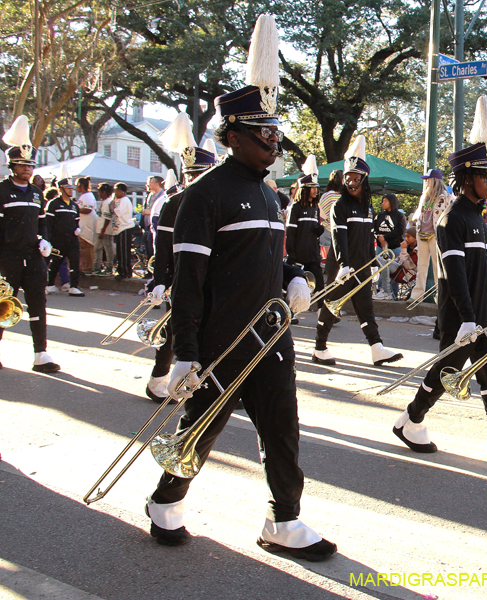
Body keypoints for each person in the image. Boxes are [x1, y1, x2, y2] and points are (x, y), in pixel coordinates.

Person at [146, 14, 334, 561]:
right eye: (264, 135)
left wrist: (294, 275)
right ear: (234, 135)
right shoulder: (204, 195)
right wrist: (183, 353)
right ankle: (165, 501)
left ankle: (284, 519)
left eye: (276, 134)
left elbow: (267, 261)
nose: (273, 143)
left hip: (269, 336)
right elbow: (189, 279)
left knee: (283, 428)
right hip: (220, 341)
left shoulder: (271, 194)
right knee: (200, 430)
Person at [392, 95, 487, 466]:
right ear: (467, 177)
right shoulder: (452, 218)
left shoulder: (480, 217)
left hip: (484, 307)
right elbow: (453, 273)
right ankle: (410, 419)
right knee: (448, 371)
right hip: (462, 312)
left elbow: (474, 265)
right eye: (486, 175)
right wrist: (468, 317)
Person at [312, 134, 403, 366]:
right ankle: (319, 348)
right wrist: (344, 265)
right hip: (344, 266)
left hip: (362, 265)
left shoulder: (367, 208)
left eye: (356, 177)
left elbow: (365, 238)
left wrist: (371, 263)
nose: (352, 182)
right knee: (332, 305)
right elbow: (338, 237)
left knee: (366, 309)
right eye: (348, 178)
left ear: (364, 179)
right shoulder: (340, 206)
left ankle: (376, 347)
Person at [144, 115, 215, 403]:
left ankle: (204, 384)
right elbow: (162, 246)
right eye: (189, 174)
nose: (193, 180)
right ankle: (158, 379)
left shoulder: (216, 202)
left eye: (199, 174)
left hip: (209, 275)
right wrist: (159, 280)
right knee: (176, 330)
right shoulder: (173, 203)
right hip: (180, 276)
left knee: (209, 330)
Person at [0, 115, 60, 372]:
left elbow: (42, 221)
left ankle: (41, 355)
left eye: (30, 165)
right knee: (4, 304)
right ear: (12, 166)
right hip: (8, 256)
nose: (28, 169)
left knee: (38, 304)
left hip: (34, 256)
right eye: (22, 165)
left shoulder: (36, 193)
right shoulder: (1, 190)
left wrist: (45, 238)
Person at [286, 155, 325, 308]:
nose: (316, 190)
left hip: (313, 254)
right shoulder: (296, 208)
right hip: (298, 254)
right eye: (313, 187)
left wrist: (318, 230)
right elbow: (291, 232)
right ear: (306, 189)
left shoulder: (315, 208)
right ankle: (291, 310)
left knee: (320, 284)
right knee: (295, 285)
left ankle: (324, 311)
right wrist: (292, 253)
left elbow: (313, 233)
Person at [409, 168, 452, 302]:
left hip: (436, 234)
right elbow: (419, 214)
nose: (426, 182)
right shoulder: (424, 196)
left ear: (434, 180)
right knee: (421, 265)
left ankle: (440, 295)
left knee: (437, 266)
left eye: (428, 179)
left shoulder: (446, 196)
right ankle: (417, 295)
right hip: (422, 233)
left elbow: (450, 215)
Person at [45, 166, 86, 297]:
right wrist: (49, 238)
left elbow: (76, 221)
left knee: (74, 261)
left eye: (71, 188)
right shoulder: (53, 204)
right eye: (68, 188)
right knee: (55, 263)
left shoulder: (74, 205)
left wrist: (77, 228)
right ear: (61, 189)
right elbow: (48, 223)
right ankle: (50, 284)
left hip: (72, 239)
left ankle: (74, 286)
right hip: (58, 239)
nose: (70, 191)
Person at [374, 192, 406, 300]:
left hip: (394, 247)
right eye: (382, 201)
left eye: (385, 201)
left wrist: (386, 238)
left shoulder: (399, 216)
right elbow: (374, 229)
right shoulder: (379, 216)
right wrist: (380, 238)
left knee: (394, 272)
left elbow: (400, 230)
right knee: (381, 269)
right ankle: (381, 290)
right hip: (380, 247)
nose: (383, 203)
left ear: (391, 202)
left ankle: (393, 293)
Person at [111, 183, 136, 279]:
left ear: (122, 191)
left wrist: (112, 206)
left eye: (117, 190)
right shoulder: (118, 200)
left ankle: (125, 271)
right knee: (120, 251)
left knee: (124, 251)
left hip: (125, 227)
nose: (115, 192)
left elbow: (117, 212)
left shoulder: (124, 201)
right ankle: (120, 269)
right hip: (119, 228)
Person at [76, 176, 98, 272]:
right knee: (83, 248)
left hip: (87, 225)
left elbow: (88, 209)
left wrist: (76, 209)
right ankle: (84, 267)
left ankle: (88, 268)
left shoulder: (87, 196)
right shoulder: (84, 196)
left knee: (87, 247)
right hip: (83, 224)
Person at [318, 169, 342, 258]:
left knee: (328, 261)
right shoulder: (348, 197)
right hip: (341, 232)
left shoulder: (327, 196)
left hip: (328, 230)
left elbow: (320, 216)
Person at [94, 183, 116, 275]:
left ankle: (109, 268)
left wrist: (103, 230)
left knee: (108, 248)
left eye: (100, 192)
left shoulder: (108, 202)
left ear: (104, 192)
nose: (99, 194)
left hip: (106, 230)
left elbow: (108, 218)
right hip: (101, 229)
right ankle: (96, 267)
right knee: (97, 248)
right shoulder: (105, 202)